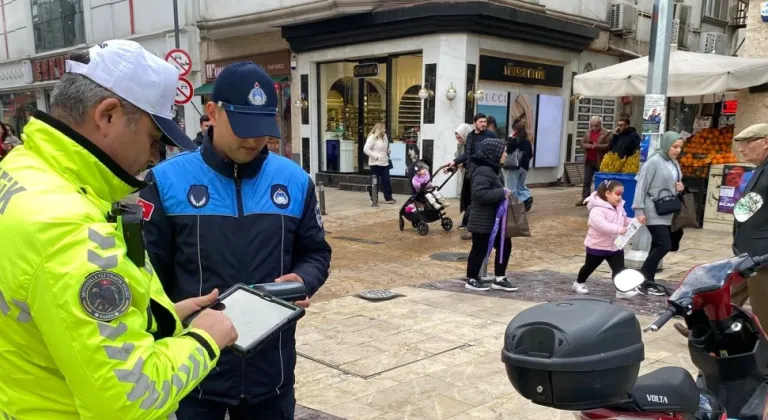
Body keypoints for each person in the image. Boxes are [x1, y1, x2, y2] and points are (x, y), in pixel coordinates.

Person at [0, 40, 237, 419]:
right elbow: (130, 398)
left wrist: (163, 316)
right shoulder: (70, 228)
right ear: (107, 116)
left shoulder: (21, 172)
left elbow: (58, 318)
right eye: (153, 138)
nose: (153, 156)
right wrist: (206, 339)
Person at [139, 61, 331, 420]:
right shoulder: (166, 182)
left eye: (262, 129)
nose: (254, 140)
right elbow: (148, 278)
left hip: (270, 373)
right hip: (192, 374)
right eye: (243, 127)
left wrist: (305, 278)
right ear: (212, 112)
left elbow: (316, 252)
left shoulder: (294, 180)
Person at [675, 123, 768, 337]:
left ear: (765, 142)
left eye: (747, 143)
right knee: (726, 292)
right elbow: (752, 206)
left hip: (762, 256)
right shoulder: (760, 169)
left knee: (763, 313)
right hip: (750, 253)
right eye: (740, 144)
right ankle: (703, 330)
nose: (741, 148)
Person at [632, 131, 685, 296]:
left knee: (657, 245)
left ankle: (648, 281)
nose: (677, 150)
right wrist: (639, 210)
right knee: (664, 244)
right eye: (674, 146)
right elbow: (641, 185)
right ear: (666, 144)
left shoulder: (674, 163)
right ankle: (643, 279)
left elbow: (675, 181)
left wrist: (680, 187)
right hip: (652, 209)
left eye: (680, 147)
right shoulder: (653, 162)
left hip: (667, 210)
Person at [465, 138, 517, 293]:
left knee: (504, 244)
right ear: (493, 152)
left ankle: (499, 278)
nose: (505, 154)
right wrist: (502, 193)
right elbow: (478, 194)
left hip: (493, 219)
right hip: (482, 219)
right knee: (479, 248)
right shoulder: (483, 170)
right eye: (503, 151)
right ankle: (472, 279)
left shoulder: (492, 168)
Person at [574, 180, 637, 299]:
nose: (620, 197)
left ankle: (621, 290)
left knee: (619, 269)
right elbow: (601, 225)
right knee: (589, 266)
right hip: (597, 246)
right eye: (617, 194)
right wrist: (618, 229)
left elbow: (624, 220)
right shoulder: (597, 209)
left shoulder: (619, 207)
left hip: (615, 245)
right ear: (607, 193)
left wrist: (636, 221)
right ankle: (579, 282)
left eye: (621, 194)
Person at [449, 114, 493, 231]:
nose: (483, 124)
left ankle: (475, 225)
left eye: (484, 122)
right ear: (475, 123)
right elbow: (467, 155)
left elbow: (495, 154)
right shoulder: (470, 137)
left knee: (479, 200)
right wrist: (454, 162)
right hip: (471, 174)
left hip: (485, 174)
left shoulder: (491, 135)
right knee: (470, 199)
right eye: (480, 122)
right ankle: (468, 223)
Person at [578, 116, 612, 206]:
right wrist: (588, 146)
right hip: (589, 160)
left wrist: (597, 146)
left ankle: (600, 199)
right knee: (586, 181)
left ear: (600, 124)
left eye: (595, 125)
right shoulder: (588, 132)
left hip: (600, 161)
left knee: (601, 181)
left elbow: (609, 146)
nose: (593, 127)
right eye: (592, 125)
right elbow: (581, 143)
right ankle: (585, 198)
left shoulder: (606, 133)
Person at [504, 121, 533, 212]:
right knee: (520, 186)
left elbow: (508, 150)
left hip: (514, 167)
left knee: (512, 188)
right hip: (524, 168)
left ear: (516, 130)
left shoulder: (514, 140)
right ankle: (527, 198)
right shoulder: (527, 141)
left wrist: (510, 138)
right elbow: (530, 155)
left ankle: (514, 207)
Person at [364, 122, 396, 204]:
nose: (385, 130)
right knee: (375, 181)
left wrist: (388, 151)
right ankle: (373, 197)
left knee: (386, 180)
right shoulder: (372, 137)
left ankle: (388, 198)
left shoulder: (385, 137)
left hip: (385, 162)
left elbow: (385, 147)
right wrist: (376, 156)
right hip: (375, 163)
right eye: (384, 128)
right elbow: (366, 149)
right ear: (380, 129)